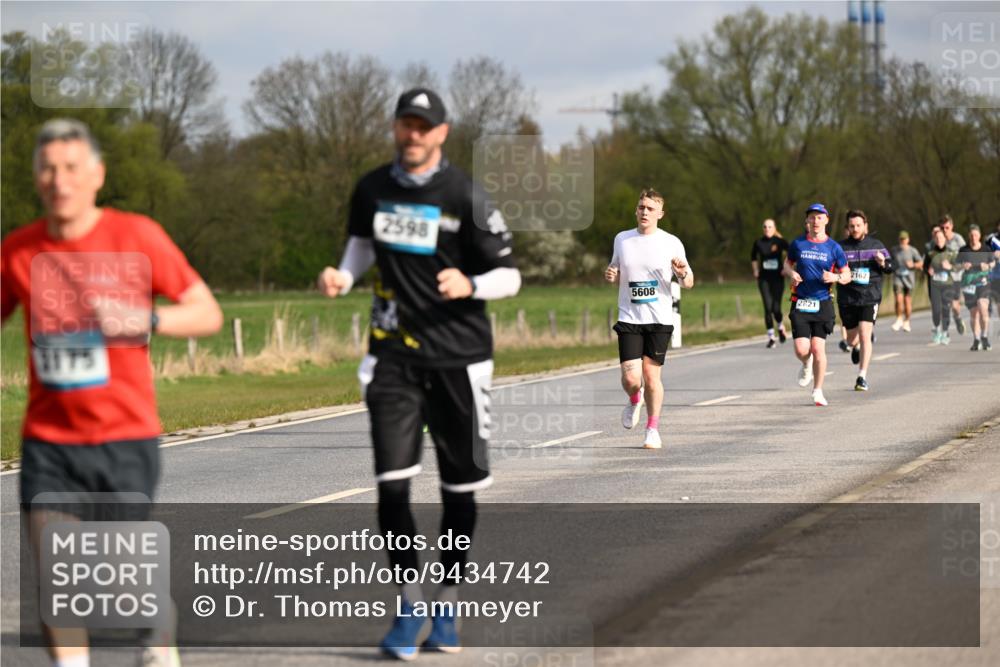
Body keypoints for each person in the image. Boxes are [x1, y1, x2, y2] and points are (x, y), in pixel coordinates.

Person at [0, 119, 223, 667]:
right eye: (48, 168)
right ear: (36, 178)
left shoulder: (137, 236)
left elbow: (208, 312)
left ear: (96, 174)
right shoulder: (18, 251)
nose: (60, 180)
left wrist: (144, 316)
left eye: (72, 167)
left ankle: (156, 620)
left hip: (125, 435)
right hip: (49, 441)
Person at [316, 88, 521, 660]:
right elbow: (360, 245)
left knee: (459, 491)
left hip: (459, 359)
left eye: (423, 127)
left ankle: (447, 603)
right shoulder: (372, 188)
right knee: (392, 486)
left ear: (441, 133)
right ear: (396, 128)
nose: (412, 135)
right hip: (391, 358)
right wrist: (344, 275)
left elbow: (510, 277)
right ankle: (409, 605)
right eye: (405, 124)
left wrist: (471, 284)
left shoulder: (465, 195)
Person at [605, 189, 694, 450]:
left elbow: (688, 282)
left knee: (651, 376)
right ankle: (635, 399)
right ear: (636, 210)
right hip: (630, 317)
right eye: (641, 207)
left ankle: (652, 429)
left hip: (659, 319)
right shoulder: (622, 239)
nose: (645, 212)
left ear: (660, 214)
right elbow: (615, 269)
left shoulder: (671, 242)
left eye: (650, 208)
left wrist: (681, 273)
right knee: (632, 379)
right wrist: (611, 275)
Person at [783, 203, 850, 407]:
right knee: (802, 349)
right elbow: (786, 264)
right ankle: (806, 363)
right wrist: (792, 273)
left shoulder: (834, 247)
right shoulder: (798, 244)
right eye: (812, 217)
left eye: (819, 217)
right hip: (800, 302)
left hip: (822, 302)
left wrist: (835, 277)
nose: (815, 221)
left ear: (826, 221)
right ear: (807, 221)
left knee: (818, 348)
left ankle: (818, 391)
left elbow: (847, 275)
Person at [836, 210, 894, 391]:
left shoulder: (876, 246)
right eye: (852, 226)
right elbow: (830, 268)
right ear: (848, 228)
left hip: (870, 296)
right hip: (848, 298)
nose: (855, 229)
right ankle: (856, 346)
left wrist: (883, 263)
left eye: (858, 225)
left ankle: (862, 376)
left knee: (865, 332)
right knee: (852, 340)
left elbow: (890, 268)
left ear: (865, 226)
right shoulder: (840, 248)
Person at [750, 218, 789, 348]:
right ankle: (771, 337)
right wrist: (755, 270)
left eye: (770, 227)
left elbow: (791, 254)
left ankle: (780, 327)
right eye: (765, 227)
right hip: (764, 279)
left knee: (776, 308)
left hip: (778, 278)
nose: (767, 229)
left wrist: (786, 268)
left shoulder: (780, 241)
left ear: (774, 228)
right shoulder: (758, 242)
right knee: (767, 307)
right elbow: (753, 257)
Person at [957, 225, 995, 350]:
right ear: (969, 236)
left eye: (976, 235)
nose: (973, 238)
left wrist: (988, 266)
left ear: (979, 235)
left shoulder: (986, 248)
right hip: (969, 284)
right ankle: (976, 339)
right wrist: (963, 266)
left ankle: (984, 337)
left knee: (982, 306)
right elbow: (956, 265)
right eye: (971, 235)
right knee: (974, 313)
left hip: (983, 283)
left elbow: (993, 261)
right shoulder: (964, 250)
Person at [925, 225, 959, 345]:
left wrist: (950, 267)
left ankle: (945, 332)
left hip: (947, 284)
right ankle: (937, 330)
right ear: (935, 240)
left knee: (945, 309)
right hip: (935, 285)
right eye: (937, 238)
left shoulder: (950, 253)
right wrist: (928, 271)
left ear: (945, 239)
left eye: (941, 238)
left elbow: (958, 266)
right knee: (936, 309)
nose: (939, 240)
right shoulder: (930, 253)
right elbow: (925, 267)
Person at [890, 230, 923, 332]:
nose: (903, 241)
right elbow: (888, 261)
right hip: (898, 278)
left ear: (908, 240)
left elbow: (921, 263)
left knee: (907, 301)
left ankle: (907, 321)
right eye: (901, 239)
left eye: (904, 239)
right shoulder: (894, 250)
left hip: (909, 279)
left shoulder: (912, 251)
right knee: (898, 299)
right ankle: (899, 318)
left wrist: (913, 265)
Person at [940, 214, 967, 335]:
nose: (945, 230)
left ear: (951, 226)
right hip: (943, 278)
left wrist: (953, 266)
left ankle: (957, 318)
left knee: (955, 305)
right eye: (943, 228)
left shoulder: (958, 239)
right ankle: (945, 329)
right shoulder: (940, 240)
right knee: (944, 303)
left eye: (947, 227)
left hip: (956, 276)